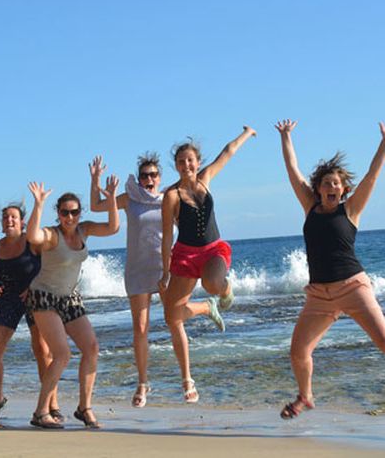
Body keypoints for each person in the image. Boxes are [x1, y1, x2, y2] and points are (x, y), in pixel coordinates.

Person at [275, 119, 385, 419]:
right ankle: (306, 396)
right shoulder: (310, 207)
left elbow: (373, 177)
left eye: (336, 183)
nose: (331, 187)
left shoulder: (350, 210)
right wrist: (286, 137)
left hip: (353, 289)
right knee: (298, 352)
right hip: (319, 297)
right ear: (319, 189)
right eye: (326, 183)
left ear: (344, 188)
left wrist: (383, 143)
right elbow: (292, 173)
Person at [158, 126, 256, 404]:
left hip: (213, 249)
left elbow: (228, 152)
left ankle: (224, 293)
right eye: (180, 161)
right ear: (176, 167)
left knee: (211, 283)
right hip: (185, 254)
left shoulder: (206, 179)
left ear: (197, 162)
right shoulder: (172, 196)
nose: (186, 165)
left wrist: (247, 134)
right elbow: (167, 235)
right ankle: (187, 378)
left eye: (190, 160)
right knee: (172, 317)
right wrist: (164, 271)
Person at [26, 177, 119, 430]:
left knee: (91, 347)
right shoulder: (51, 235)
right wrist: (38, 204)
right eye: (65, 212)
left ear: (80, 213)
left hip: (70, 297)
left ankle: (84, 408)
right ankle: (40, 411)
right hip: (43, 297)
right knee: (62, 354)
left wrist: (111, 198)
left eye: (74, 212)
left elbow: (113, 228)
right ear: (58, 213)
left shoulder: (84, 230)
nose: (70, 217)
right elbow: (32, 236)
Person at [90, 153, 164, 408]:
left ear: (160, 178)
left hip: (165, 268)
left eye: (153, 174)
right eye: (144, 175)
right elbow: (97, 206)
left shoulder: (169, 200)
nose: (149, 179)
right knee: (140, 328)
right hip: (137, 269)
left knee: (175, 318)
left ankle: (206, 308)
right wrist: (95, 179)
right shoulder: (131, 198)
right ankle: (143, 383)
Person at [0, 203, 59, 421]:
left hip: (35, 296)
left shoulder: (32, 243)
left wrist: (34, 287)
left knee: (42, 349)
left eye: (14, 217)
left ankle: (52, 404)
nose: (9, 220)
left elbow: (52, 265)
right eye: (5, 217)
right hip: (7, 298)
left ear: (22, 222)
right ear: (2, 224)